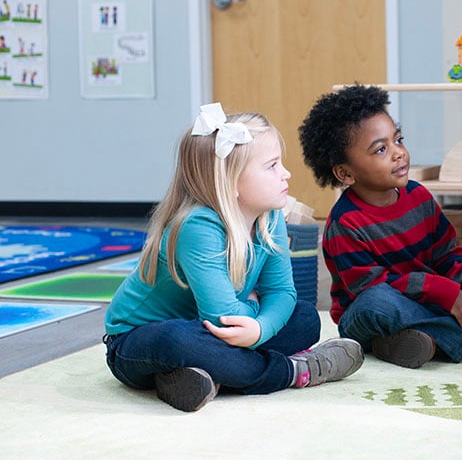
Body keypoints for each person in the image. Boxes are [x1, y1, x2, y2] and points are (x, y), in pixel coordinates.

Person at [104, 103, 364, 412]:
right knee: (178, 340)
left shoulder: (271, 215)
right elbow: (220, 318)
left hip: (216, 332)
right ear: (231, 181)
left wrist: (260, 327)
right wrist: (255, 306)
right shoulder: (196, 226)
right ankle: (296, 370)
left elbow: (282, 292)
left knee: (305, 319)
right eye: (272, 166)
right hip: (138, 342)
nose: (286, 173)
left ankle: (200, 376)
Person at [299, 84, 462, 369]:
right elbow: (371, 287)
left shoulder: (420, 197)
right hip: (374, 315)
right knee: (377, 303)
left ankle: (423, 339)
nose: (398, 153)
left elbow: (450, 257)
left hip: (427, 303)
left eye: (398, 140)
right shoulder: (345, 225)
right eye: (380, 149)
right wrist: (443, 292)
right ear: (345, 173)